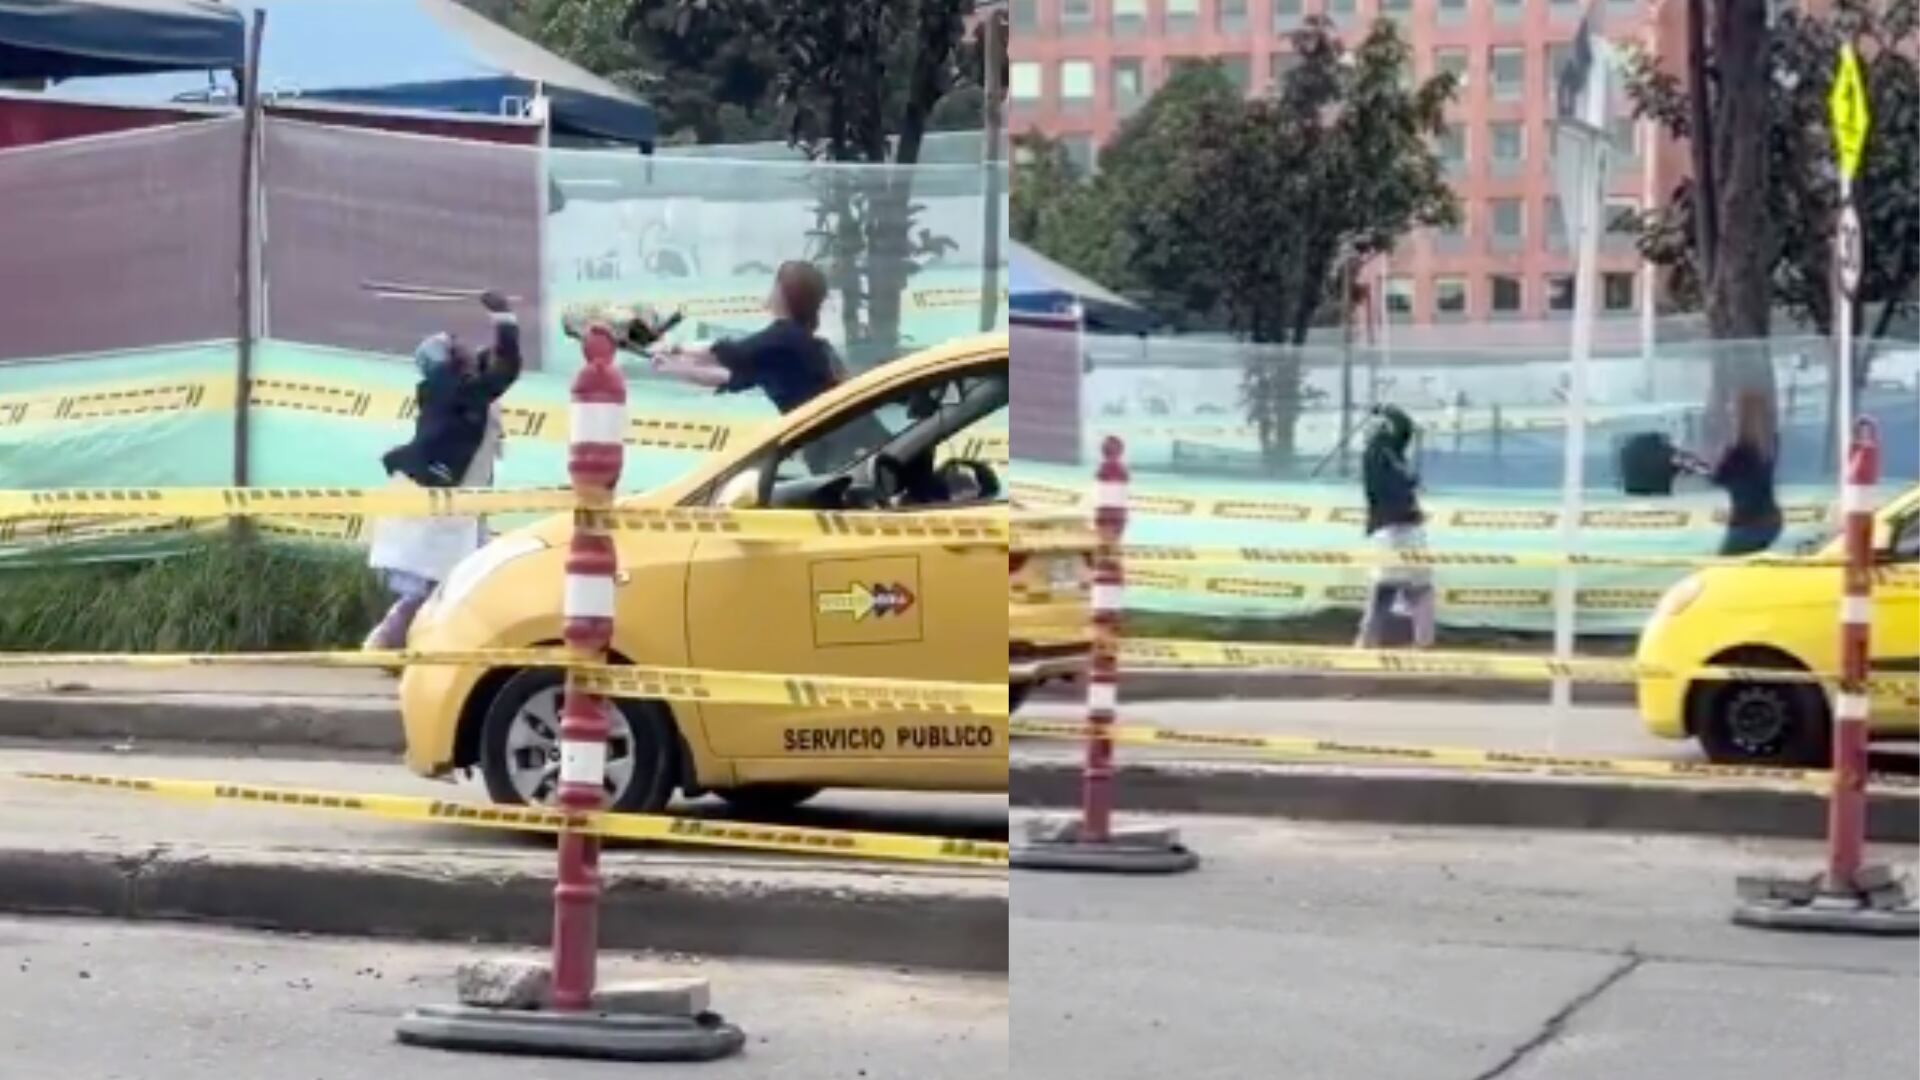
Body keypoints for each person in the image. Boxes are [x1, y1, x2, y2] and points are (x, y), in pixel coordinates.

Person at [363, 290, 521, 651]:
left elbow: (499, 364)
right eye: (454, 345)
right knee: (441, 585)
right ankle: (388, 644)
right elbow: (506, 368)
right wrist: (503, 317)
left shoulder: (457, 388)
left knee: (457, 581)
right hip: (442, 507)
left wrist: (502, 322)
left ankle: (398, 644)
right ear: (448, 362)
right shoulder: (457, 392)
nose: (463, 345)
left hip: (459, 504)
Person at [646, 260, 848, 413]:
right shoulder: (806, 344)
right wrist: (672, 365)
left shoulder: (785, 338)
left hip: (838, 448)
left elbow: (728, 353)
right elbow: (727, 377)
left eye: (775, 285)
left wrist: (674, 351)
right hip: (848, 445)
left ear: (784, 294)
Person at [1356, 405, 1436, 649]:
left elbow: (1403, 426)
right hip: (1404, 528)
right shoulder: (1386, 453)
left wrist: (1384, 412)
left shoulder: (1379, 454)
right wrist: (1385, 409)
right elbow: (1404, 425)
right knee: (1420, 590)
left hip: (1388, 529)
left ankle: (1366, 643)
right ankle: (1423, 643)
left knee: (1383, 590)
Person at [1676, 387, 1781, 556]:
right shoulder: (1770, 442)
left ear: (1741, 417)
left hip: (1748, 523)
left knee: (1726, 565)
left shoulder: (1740, 451)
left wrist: (1691, 465)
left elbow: (1718, 477)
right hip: (1770, 520)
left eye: (1734, 413)